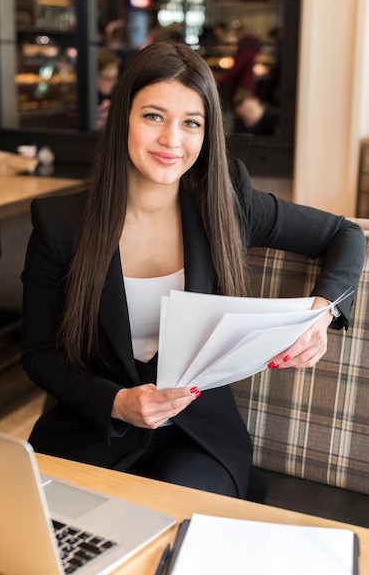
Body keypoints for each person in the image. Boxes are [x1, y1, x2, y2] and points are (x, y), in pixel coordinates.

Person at [21, 41, 366, 502]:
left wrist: (321, 314)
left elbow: (345, 234)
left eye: (191, 124)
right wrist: (118, 402)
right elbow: (39, 353)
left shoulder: (228, 202)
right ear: (123, 115)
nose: (172, 140)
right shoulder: (60, 224)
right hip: (92, 432)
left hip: (198, 438)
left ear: (207, 135)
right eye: (153, 116)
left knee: (176, 519)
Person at [95, 48, 121, 130]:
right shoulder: (82, 107)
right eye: (108, 78)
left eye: (115, 78)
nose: (113, 83)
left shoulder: (113, 101)